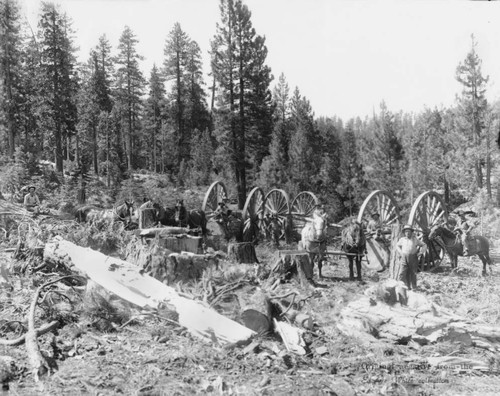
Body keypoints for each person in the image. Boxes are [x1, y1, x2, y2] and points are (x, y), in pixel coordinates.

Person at [395, 224, 427, 290]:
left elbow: (424, 245)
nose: (407, 233)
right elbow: (397, 245)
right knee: (402, 272)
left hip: (413, 257)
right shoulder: (402, 239)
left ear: (411, 232)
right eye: (406, 231)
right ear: (404, 233)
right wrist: (400, 252)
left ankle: (414, 287)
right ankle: (402, 287)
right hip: (404, 257)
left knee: (413, 273)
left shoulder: (415, 240)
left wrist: (420, 252)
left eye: (409, 231)